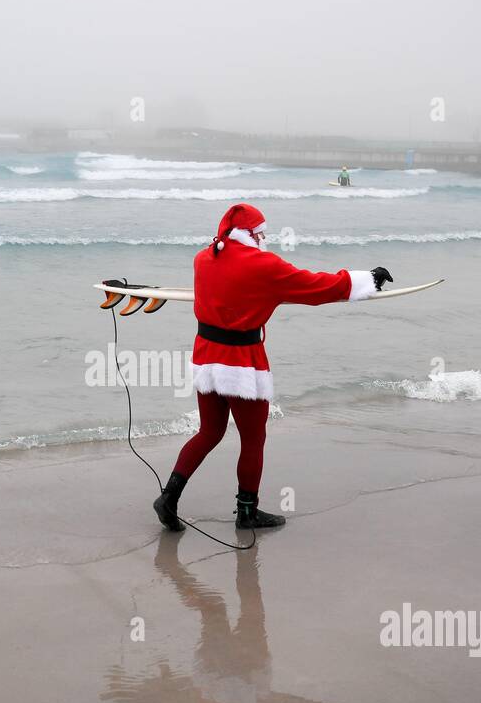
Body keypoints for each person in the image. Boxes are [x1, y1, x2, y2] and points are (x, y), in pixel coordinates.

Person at [151, 203, 393, 531]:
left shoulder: (203, 258)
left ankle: (168, 497)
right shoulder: (263, 265)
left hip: (206, 358)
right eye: (260, 232)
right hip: (241, 365)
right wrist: (367, 280)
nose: (265, 237)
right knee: (253, 439)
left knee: (210, 432)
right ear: (249, 234)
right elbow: (315, 287)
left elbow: (225, 293)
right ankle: (247, 512)